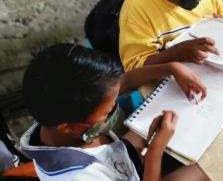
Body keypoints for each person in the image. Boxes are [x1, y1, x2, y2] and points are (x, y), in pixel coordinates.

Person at [20, 44, 209, 181]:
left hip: (122, 159)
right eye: (108, 111)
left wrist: (171, 68)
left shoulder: (55, 108)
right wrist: (154, 153)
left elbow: (121, 83)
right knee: (209, 168)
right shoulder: (80, 177)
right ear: (68, 128)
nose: (114, 110)